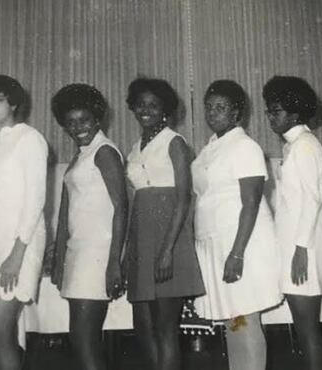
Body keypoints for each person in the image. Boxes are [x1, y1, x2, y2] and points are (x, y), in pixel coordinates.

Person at [192, 80, 282, 370]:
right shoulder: (210, 149)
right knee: (235, 318)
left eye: (221, 107)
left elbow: (252, 202)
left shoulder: (245, 146)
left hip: (242, 245)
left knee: (245, 318)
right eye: (209, 107)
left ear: (236, 113)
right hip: (218, 245)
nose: (213, 113)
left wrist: (237, 253)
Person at [125, 77, 205, 370]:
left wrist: (168, 251)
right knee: (143, 329)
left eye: (154, 105)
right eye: (141, 104)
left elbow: (184, 198)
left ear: (165, 110)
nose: (146, 110)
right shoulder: (135, 149)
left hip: (169, 241)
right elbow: (135, 202)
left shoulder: (175, 142)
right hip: (141, 243)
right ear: (133, 107)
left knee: (165, 328)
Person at [0, 75, 48, 370]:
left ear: (14, 103)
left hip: (19, 247)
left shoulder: (30, 138)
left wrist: (17, 255)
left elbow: (35, 200)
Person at [50, 83, 128, 370]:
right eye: (70, 122)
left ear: (98, 119)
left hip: (96, 256)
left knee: (84, 340)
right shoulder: (82, 154)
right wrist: (59, 258)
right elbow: (67, 212)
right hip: (78, 253)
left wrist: (115, 264)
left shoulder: (105, 152)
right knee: (81, 339)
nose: (77, 127)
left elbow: (121, 208)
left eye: (84, 120)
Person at [263, 76, 322, 370]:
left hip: (305, 248)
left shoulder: (304, 146)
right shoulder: (295, 145)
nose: (269, 117)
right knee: (303, 329)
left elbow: (312, 200)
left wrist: (300, 250)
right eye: (269, 111)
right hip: (295, 245)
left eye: (275, 111)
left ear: (294, 114)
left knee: (307, 329)